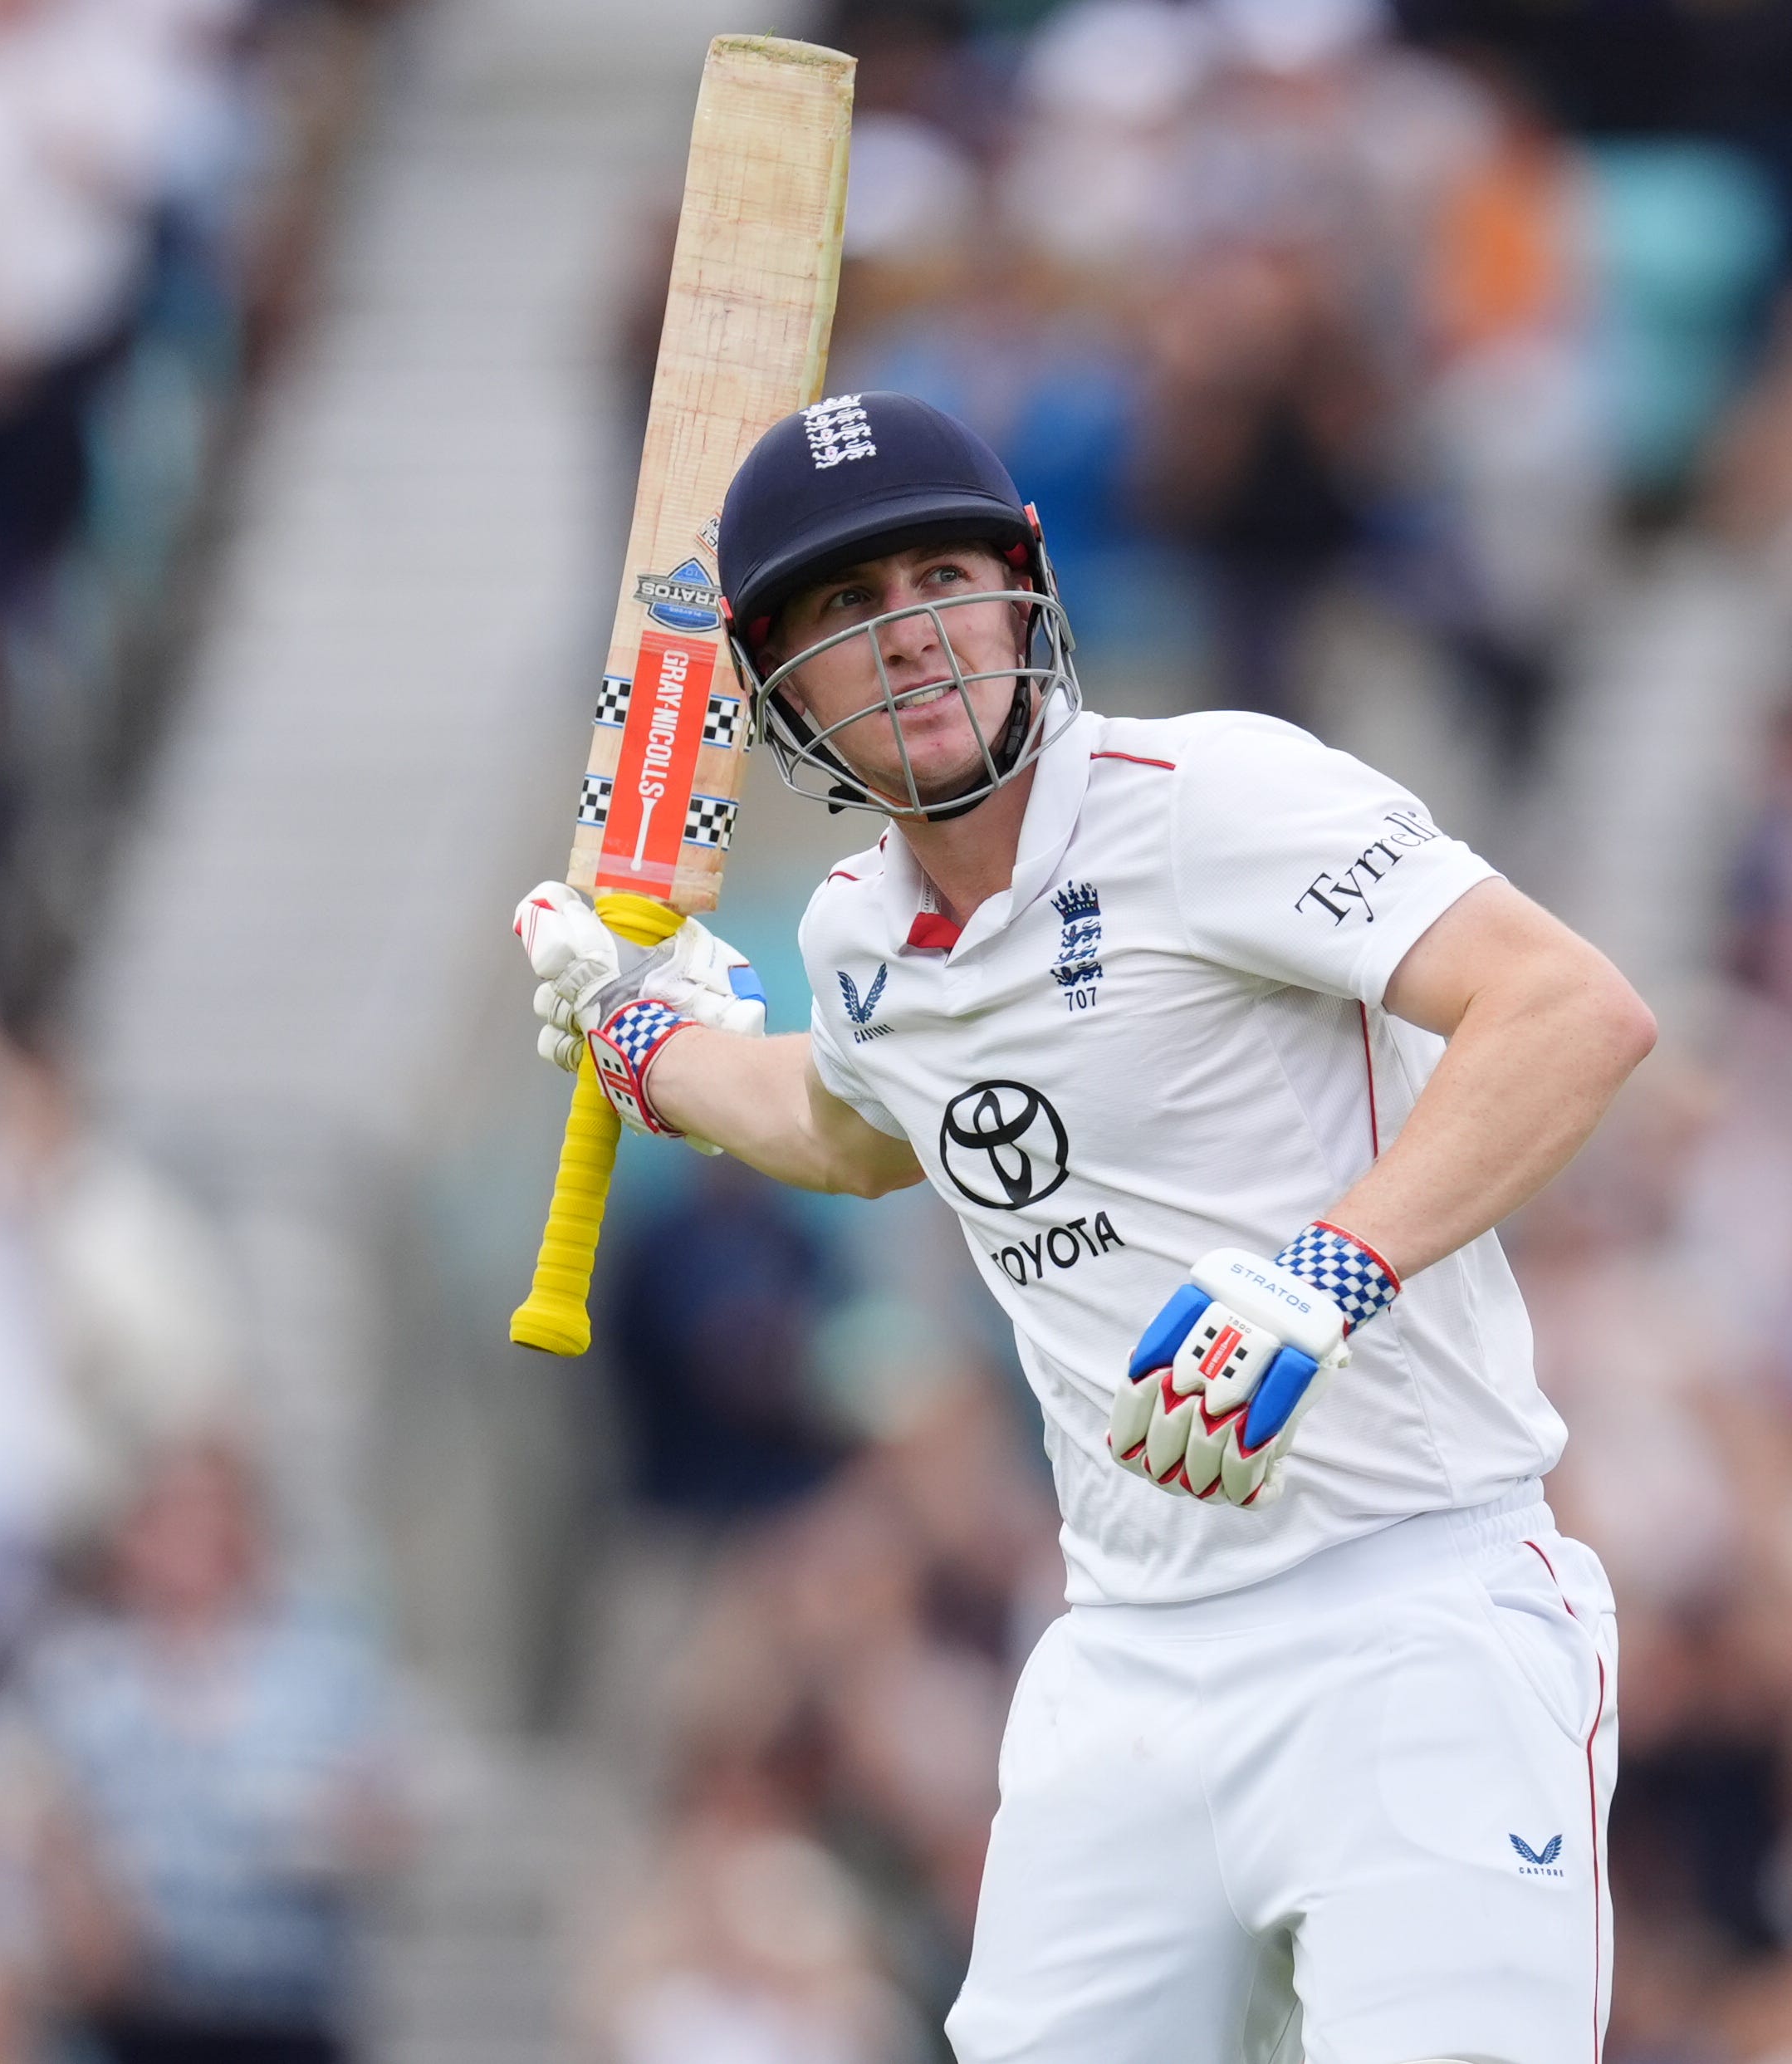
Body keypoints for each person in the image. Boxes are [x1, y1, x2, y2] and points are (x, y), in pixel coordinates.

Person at [512, 392, 1657, 2064]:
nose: (906, 637)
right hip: (1127, 1670)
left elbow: (1568, 1010)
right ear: (776, 686)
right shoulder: (857, 943)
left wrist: (1321, 1276)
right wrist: (640, 1039)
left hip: (1417, 1619)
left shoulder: (1213, 797)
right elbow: (845, 1125)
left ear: (1024, 590)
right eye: (844, 608)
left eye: (936, 578)